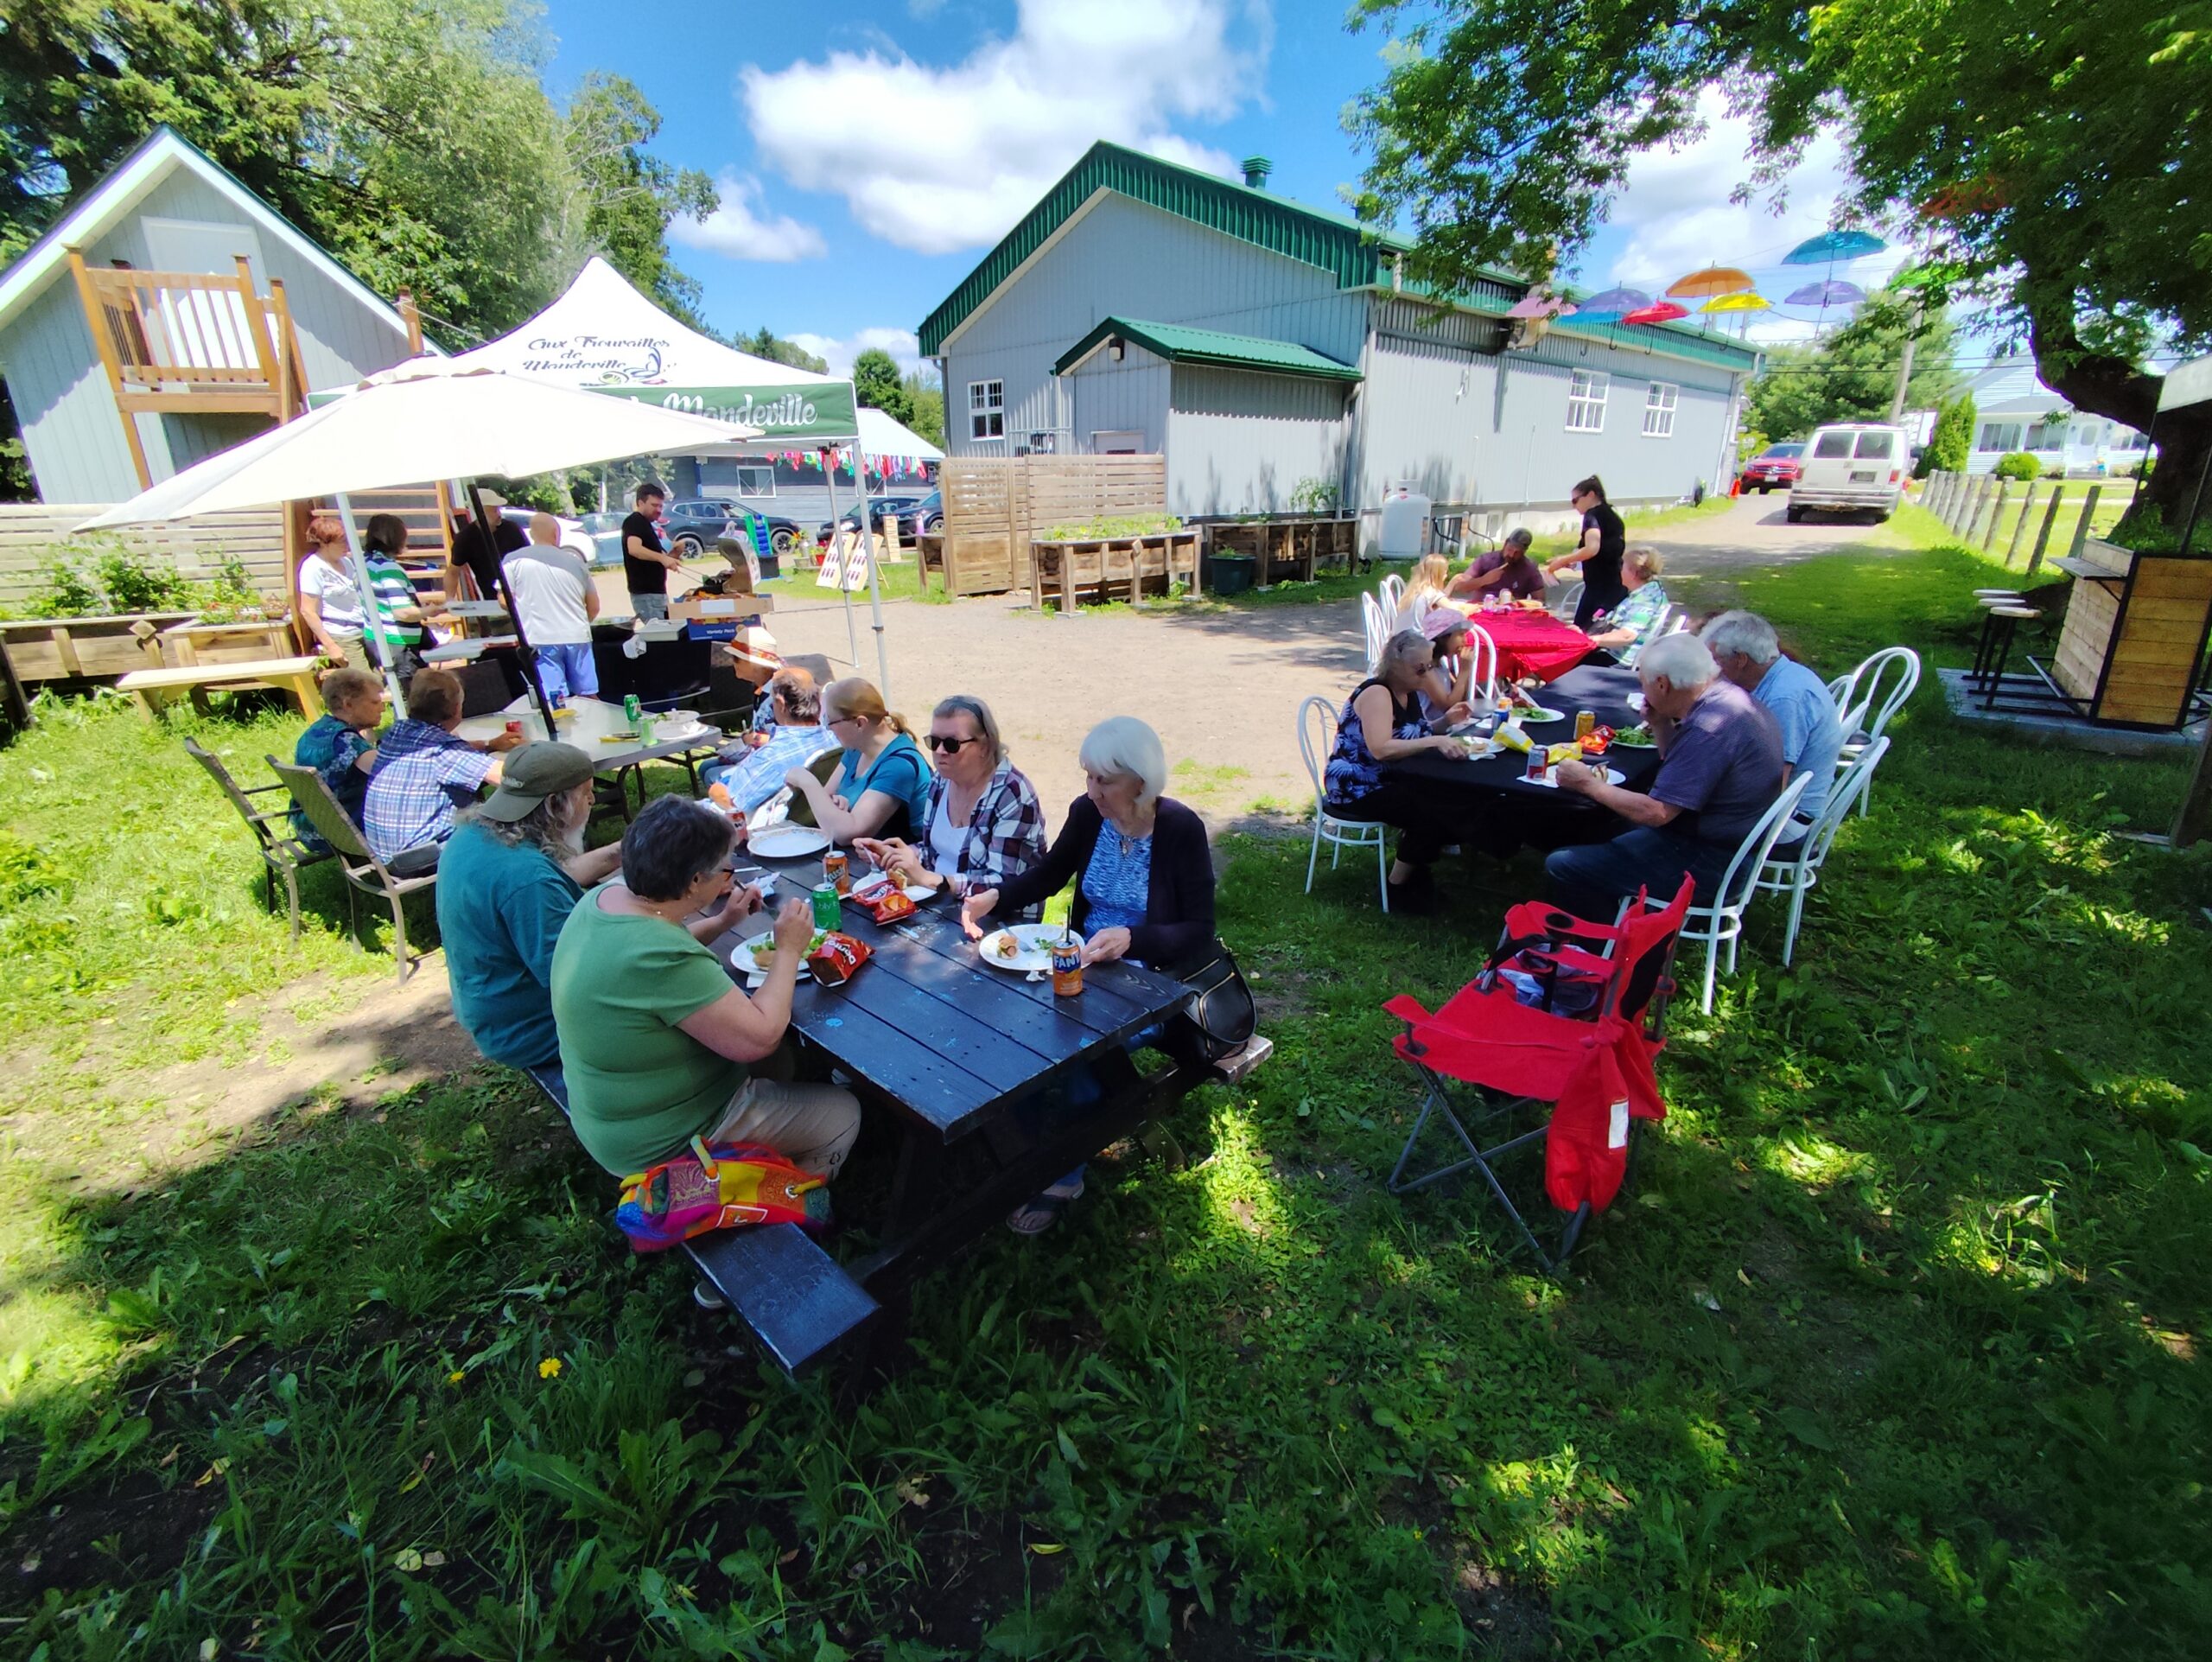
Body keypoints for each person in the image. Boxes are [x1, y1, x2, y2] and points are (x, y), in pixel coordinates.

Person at [959, 717, 1217, 1233]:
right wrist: (997, 895)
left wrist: (1133, 938)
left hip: (1152, 982)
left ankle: (1064, 1173)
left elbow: (1200, 929)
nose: (1092, 791)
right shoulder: (1088, 814)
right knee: (1015, 1032)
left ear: (1140, 783)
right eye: (1088, 777)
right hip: (1083, 962)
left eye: (1105, 781)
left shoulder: (1180, 829)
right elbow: (1051, 875)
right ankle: (1027, 1154)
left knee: (1080, 1056)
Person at [550, 793, 862, 1181]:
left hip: (620, 1112)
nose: (730, 877)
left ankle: (767, 1148)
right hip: (663, 1141)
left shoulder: (606, 898)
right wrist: (788, 949)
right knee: (843, 1112)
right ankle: (788, 1202)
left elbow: (657, 967)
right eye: (727, 871)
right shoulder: (659, 957)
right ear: (696, 880)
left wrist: (723, 921)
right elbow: (759, 1036)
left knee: (782, 1061)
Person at [1544, 633, 1783, 920]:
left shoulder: (1709, 727)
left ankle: (1603, 947)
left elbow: (1657, 813)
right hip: (1730, 844)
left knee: (1564, 865)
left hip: (1710, 862)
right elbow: (1688, 770)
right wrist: (1660, 724)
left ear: (1662, 684)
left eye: (1642, 682)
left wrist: (1587, 783)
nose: (1642, 689)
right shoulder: (1731, 700)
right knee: (1601, 824)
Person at [435, 742, 624, 1080]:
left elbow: (555, 877)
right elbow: (579, 981)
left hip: (493, 1010)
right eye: (586, 793)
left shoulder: (471, 836)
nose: (593, 801)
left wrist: (624, 852)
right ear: (554, 804)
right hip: (531, 1029)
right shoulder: (527, 879)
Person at [1322, 629, 1474, 912]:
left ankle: (1416, 871)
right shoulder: (1378, 693)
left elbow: (1414, 733)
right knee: (1431, 812)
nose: (1426, 673)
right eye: (1420, 668)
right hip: (1357, 784)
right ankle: (1397, 888)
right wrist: (1436, 740)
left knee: (1446, 800)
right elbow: (1381, 748)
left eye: (1429, 667)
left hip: (1390, 777)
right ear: (1396, 664)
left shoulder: (1408, 691)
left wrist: (1444, 722)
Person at [855, 695, 1047, 910]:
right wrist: (897, 856)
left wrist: (935, 880)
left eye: (951, 744)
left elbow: (1005, 886)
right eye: (933, 742)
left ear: (985, 746)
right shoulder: (941, 780)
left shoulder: (1012, 795)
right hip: (943, 905)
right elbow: (934, 851)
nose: (939, 751)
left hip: (998, 923)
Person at [1700, 609, 1844, 845]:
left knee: (1677, 809)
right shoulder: (1779, 675)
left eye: (1717, 661)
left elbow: (1772, 784)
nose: (1712, 669)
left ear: (1741, 659)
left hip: (1787, 818)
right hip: (1778, 802)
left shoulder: (1786, 700)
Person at [363, 667, 521, 872]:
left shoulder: (399, 730)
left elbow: (450, 749)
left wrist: (489, 745)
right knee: (518, 817)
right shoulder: (444, 751)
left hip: (385, 850)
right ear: (456, 708)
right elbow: (512, 778)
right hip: (419, 857)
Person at [783, 678, 932, 844]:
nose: (828, 729)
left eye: (830, 721)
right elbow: (824, 808)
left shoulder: (900, 765)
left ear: (860, 723)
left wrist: (807, 781)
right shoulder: (856, 749)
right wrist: (836, 805)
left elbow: (848, 834)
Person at [702, 667, 836, 815]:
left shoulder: (772, 756)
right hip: (809, 816)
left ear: (780, 703)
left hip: (750, 825)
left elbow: (733, 804)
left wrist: (716, 789)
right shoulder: (835, 739)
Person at [504, 512, 602, 703]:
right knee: (589, 694)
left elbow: (504, 599)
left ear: (531, 535)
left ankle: (564, 732)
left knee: (556, 699)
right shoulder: (575, 562)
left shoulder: (513, 560)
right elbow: (594, 606)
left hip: (542, 637)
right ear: (556, 534)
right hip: (577, 635)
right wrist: (580, 621)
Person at [292, 667, 386, 845]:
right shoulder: (345, 741)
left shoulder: (316, 731)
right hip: (342, 833)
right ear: (348, 705)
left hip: (312, 826)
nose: (382, 708)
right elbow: (391, 772)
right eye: (375, 702)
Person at [1545, 475, 1626, 628]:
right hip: (1615, 586)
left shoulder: (1592, 515)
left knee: (1580, 632)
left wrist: (1560, 562)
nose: (1574, 506)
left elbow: (1592, 548)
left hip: (1598, 588)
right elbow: (1605, 552)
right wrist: (1571, 561)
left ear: (1590, 495)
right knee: (1600, 631)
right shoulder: (1612, 516)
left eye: (1576, 500)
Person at [361, 513, 435, 678]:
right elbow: (403, 612)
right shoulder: (388, 568)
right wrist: (432, 610)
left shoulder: (365, 563)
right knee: (413, 694)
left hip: (376, 636)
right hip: (397, 641)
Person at [296, 513, 372, 672]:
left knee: (386, 679)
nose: (347, 546)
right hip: (341, 634)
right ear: (325, 543)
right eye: (341, 542)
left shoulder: (346, 562)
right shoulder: (313, 568)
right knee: (366, 683)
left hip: (363, 629)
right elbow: (307, 610)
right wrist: (330, 645)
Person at [1584, 547, 1670, 667]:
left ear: (1633, 573)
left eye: (1622, 566)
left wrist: (1590, 641)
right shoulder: (1648, 590)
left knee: (1565, 664)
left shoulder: (1646, 599)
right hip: (1613, 652)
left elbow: (1627, 635)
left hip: (1620, 660)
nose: (1619, 571)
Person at [444, 488, 527, 603]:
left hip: (522, 593)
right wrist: (449, 599)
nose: (499, 514)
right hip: (493, 600)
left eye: (498, 509)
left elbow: (528, 558)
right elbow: (453, 571)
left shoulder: (512, 529)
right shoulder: (466, 537)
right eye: (494, 510)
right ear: (480, 512)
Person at [621, 481, 682, 621]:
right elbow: (634, 549)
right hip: (646, 594)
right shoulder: (634, 521)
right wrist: (663, 558)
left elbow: (657, 559)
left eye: (661, 506)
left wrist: (674, 554)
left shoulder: (647, 525)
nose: (659, 510)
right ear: (640, 503)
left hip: (656, 592)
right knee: (660, 635)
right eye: (654, 505)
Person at [1449, 528, 1548, 603]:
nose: (1512, 555)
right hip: (1482, 610)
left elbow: (1540, 599)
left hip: (1513, 616)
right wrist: (1484, 580)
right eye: (1510, 549)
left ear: (1524, 552)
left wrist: (1522, 604)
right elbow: (1460, 587)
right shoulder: (1486, 560)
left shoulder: (1529, 568)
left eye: (1517, 553)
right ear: (1505, 544)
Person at [1418, 608, 1480, 723]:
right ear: (1443, 638)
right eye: (1461, 635)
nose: (1465, 641)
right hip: (1427, 729)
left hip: (1444, 725)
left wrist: (1466, 671)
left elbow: (1460, 699)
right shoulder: (1425, 668)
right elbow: (1448, 707)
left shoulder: (1440, 663)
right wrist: (1464, 671)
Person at [1390, 554, 1463, 636]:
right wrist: (1471, 609)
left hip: (1396, 640)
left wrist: (1452, 584)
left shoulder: (1415, 590)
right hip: (1416, 642)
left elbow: (1439, 599)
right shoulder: (1432, 591)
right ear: (1438, 574)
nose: (1446, 576)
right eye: (1445, 573)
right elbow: (1457, 612)